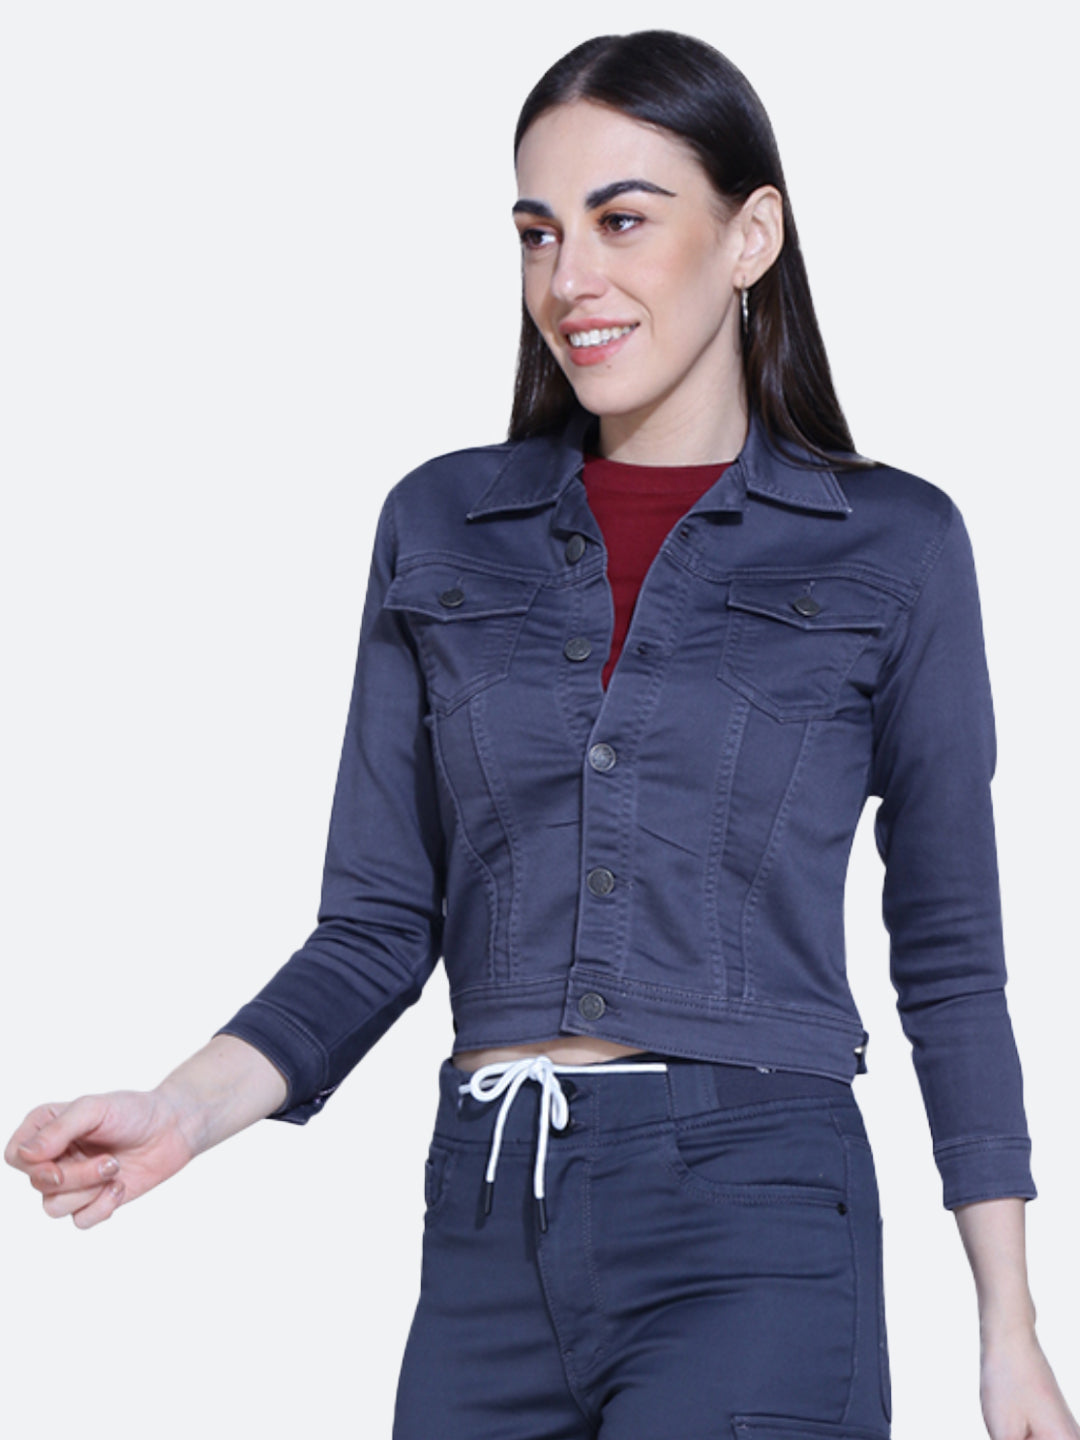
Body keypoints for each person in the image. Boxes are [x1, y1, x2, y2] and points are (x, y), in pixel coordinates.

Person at [5, 28, 1077, 1440]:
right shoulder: (440, 522)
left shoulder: (896, 542)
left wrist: (1009, 1325)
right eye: (537, 232)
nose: (570, 280)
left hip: (754, 1220)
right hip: (485, 1217)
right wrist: (181, 1111)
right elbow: (377, 927)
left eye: (623, 220)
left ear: (750, 236)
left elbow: (949, 957)